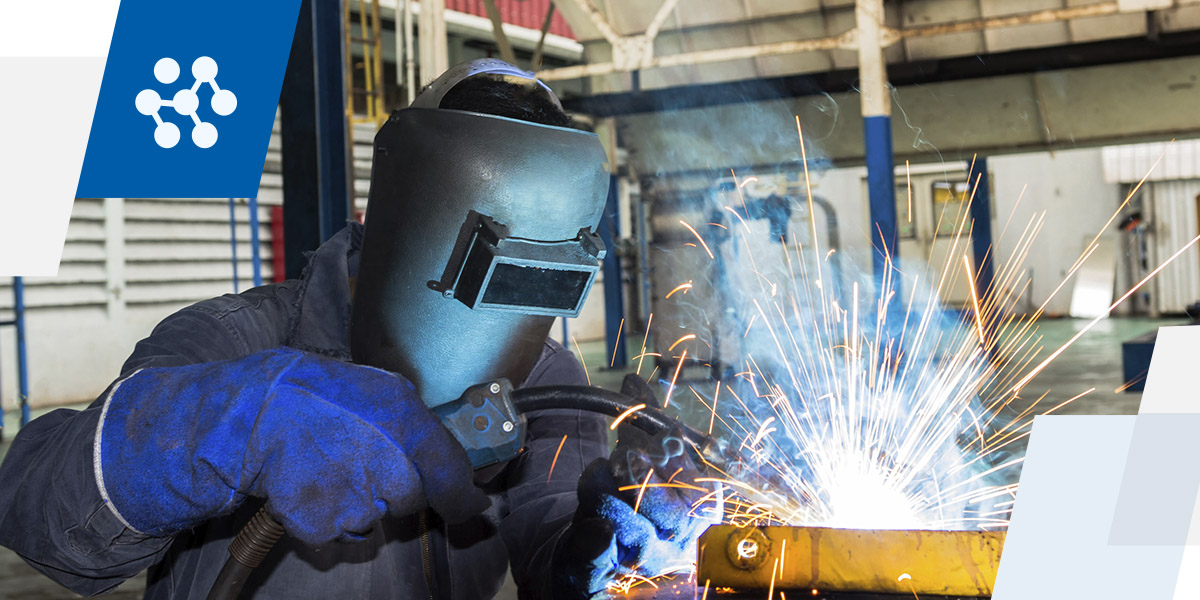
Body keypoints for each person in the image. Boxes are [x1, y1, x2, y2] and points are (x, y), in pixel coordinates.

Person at [0, 59, 707, 599]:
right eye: (488, 263)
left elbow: (548, 535)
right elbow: (40, 517)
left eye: (540, 276)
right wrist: (221, 427)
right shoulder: (241, 340)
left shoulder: (552, 381)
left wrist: (605, 546)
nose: (501, 308)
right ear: (402, 212)